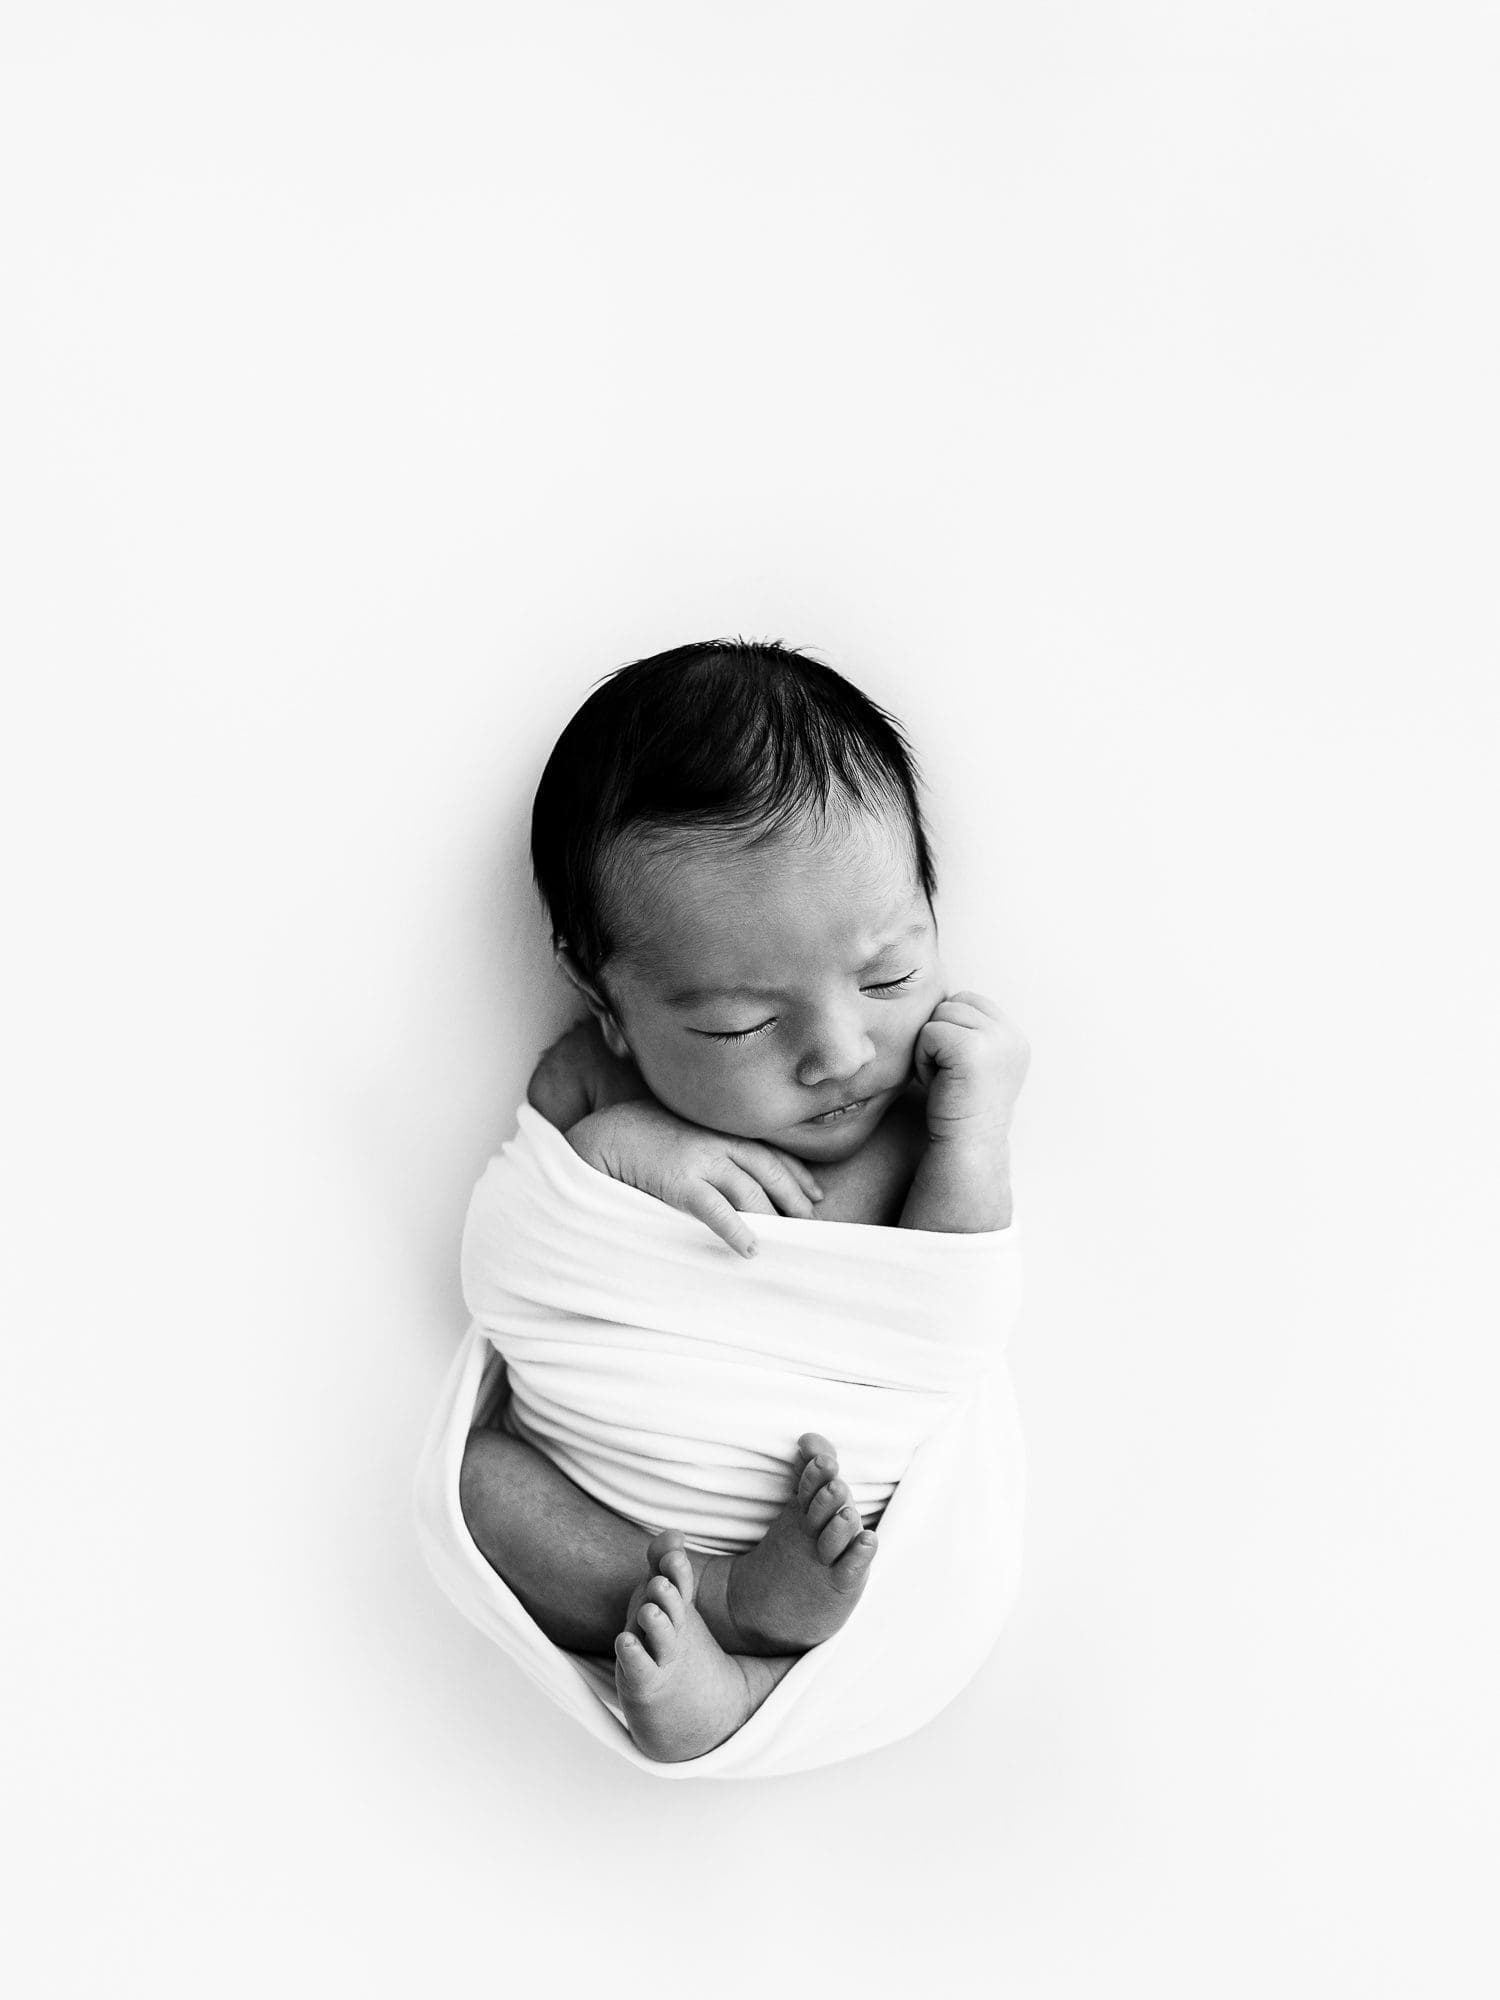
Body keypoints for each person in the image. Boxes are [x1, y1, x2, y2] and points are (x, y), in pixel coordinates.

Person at [458, 638, 1029, 1761]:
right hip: (608, 1485)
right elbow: (508, 1241)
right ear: (610, 1005)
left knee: (892, 1571)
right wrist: (628, 1148)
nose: (840, 1051)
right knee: (483, 1483)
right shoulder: (599, 1083)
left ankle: (751, 1680)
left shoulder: (923, 1123)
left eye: (888, 975)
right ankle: (727, 1609)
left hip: (835, 1497)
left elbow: (946, 1312)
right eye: (738, 1023)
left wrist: (979, 1125)